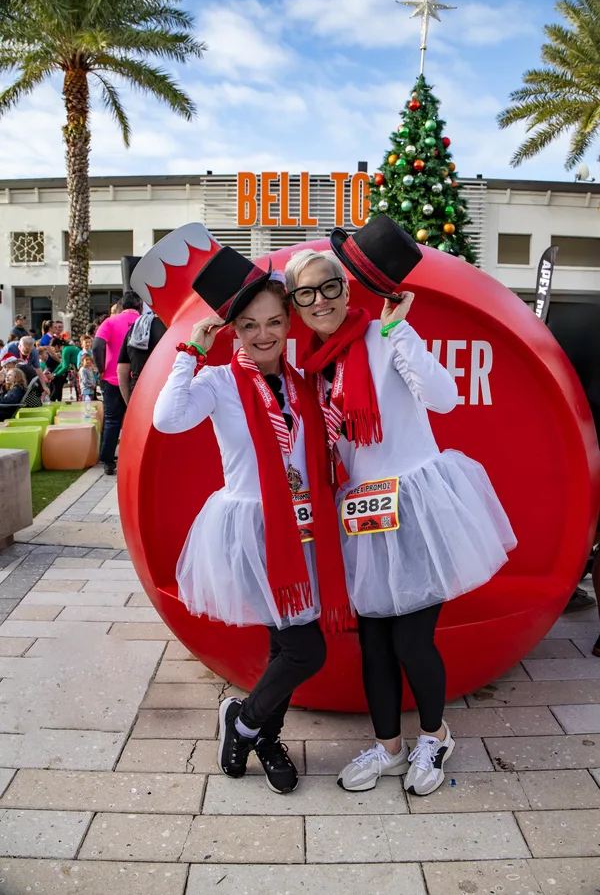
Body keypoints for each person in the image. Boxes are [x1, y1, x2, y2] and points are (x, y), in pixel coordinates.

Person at [285, 215, 516, 797]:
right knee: (374, 646)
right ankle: (389, 747)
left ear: (346, 288)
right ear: (295, 301)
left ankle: (434, 737)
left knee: (413, 642)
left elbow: (443, 398)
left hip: (415, 504)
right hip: (362, 514)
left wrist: (399, 335)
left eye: (329, 287)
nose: (319, 301)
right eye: (305, 292)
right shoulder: (313, 366)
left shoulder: (383, 337)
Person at [153, 246, 351, 795]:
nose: (263, 335)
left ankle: (261, 733)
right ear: (233, 328)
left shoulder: (302, 380)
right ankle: (244, 721)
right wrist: (191, 349)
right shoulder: (218, 381)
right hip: (253, 529)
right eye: (248, 325)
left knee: (284, 646)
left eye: (273, 322)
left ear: (289, 322)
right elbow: (167, 419)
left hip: (303, 529)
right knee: (303, 649)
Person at [93, 284, 143, 475]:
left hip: (113, 379)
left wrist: (101, 369)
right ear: (139, 306)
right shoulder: (143, 321)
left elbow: (97, 346)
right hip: (139, 381)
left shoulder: (110, 322)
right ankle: (137, 458)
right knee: (139, 420)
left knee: (112, 420)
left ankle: (108, 461)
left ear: (122, 306)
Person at [117, 310, 167, 404]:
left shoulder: (136, 329)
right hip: (168, 399)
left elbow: (122, 371)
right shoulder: (178, 327)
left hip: (137, 397)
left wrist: (129, 403)